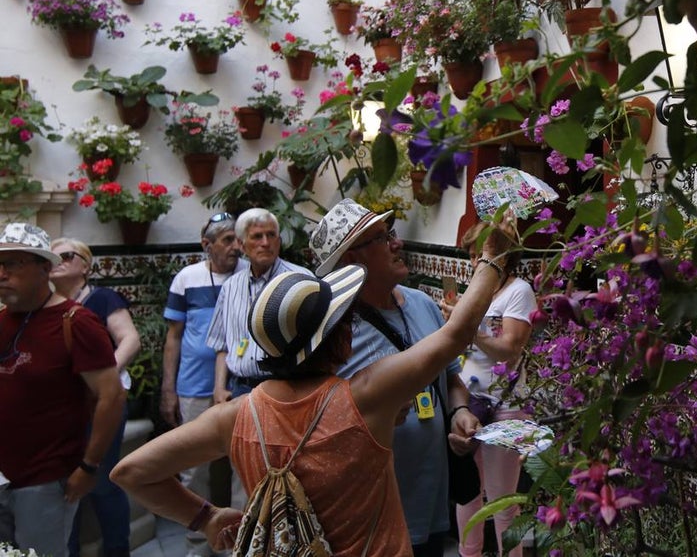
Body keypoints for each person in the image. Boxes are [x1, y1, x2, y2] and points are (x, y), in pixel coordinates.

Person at [109, 214, 518, 555]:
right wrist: (493, 257)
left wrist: (205, 517)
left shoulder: (235, 415)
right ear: (337, 340)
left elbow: (130, 472)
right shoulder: (363, 397)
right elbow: (454, 335)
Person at [308, 198, 477, 557]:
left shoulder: (423, 304)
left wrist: (459, 413)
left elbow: (451, 379)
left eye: (391, 233)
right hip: (370, 518)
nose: (397, 243)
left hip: (432, 504)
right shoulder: (334, 335)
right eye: (383, 238)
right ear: (352, 260)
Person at [0, 223, 125, 556]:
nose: (1, 273)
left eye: (12, 264)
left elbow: (111, 396)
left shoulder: (75, 322)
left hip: (45, 479)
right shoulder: (2, 321)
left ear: (45, 268)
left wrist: (89, 467)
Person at [204, 208, 310, 512]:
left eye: (271, 235)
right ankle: (246, 532)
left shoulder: (300, 281)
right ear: (241, 244)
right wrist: (219, 388)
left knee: (287, 467)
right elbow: (222, 345)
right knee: (243, 467)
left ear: (279, 240)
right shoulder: (231, 287)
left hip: (285, 390)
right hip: (240, 389)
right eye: (257, 237)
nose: (265, 242)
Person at [444, 223, 538, 557]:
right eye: (471, 256)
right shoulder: (478, 291)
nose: (475, 264)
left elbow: (509, 349)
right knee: (468, 493)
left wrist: (469, 327)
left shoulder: (519, 291)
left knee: (502, 500)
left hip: (505, 404)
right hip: (470, 403)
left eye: (480, 255)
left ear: (504, 256)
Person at [49, 237, 141, 557]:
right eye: (53, 257)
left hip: (100, 403)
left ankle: (117, 551)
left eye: (67, 255)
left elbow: (129, 339)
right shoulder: (47, 306)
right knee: (64, 486)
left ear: (85, 266)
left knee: (102, 482)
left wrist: (104, 378)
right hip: (63, 408)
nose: (59, 261)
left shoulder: (102, 299)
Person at [161, 212, 245, 557]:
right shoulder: (187, 278)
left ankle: (242, 543)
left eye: (237, 239)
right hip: (193, 386)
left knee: (243, 466)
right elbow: (173, 337)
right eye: (227, 240)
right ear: (206, 245)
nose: (236, 247)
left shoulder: (250, 274)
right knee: (194, 469)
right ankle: (198, 545)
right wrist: (168, 389)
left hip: (240, 386)